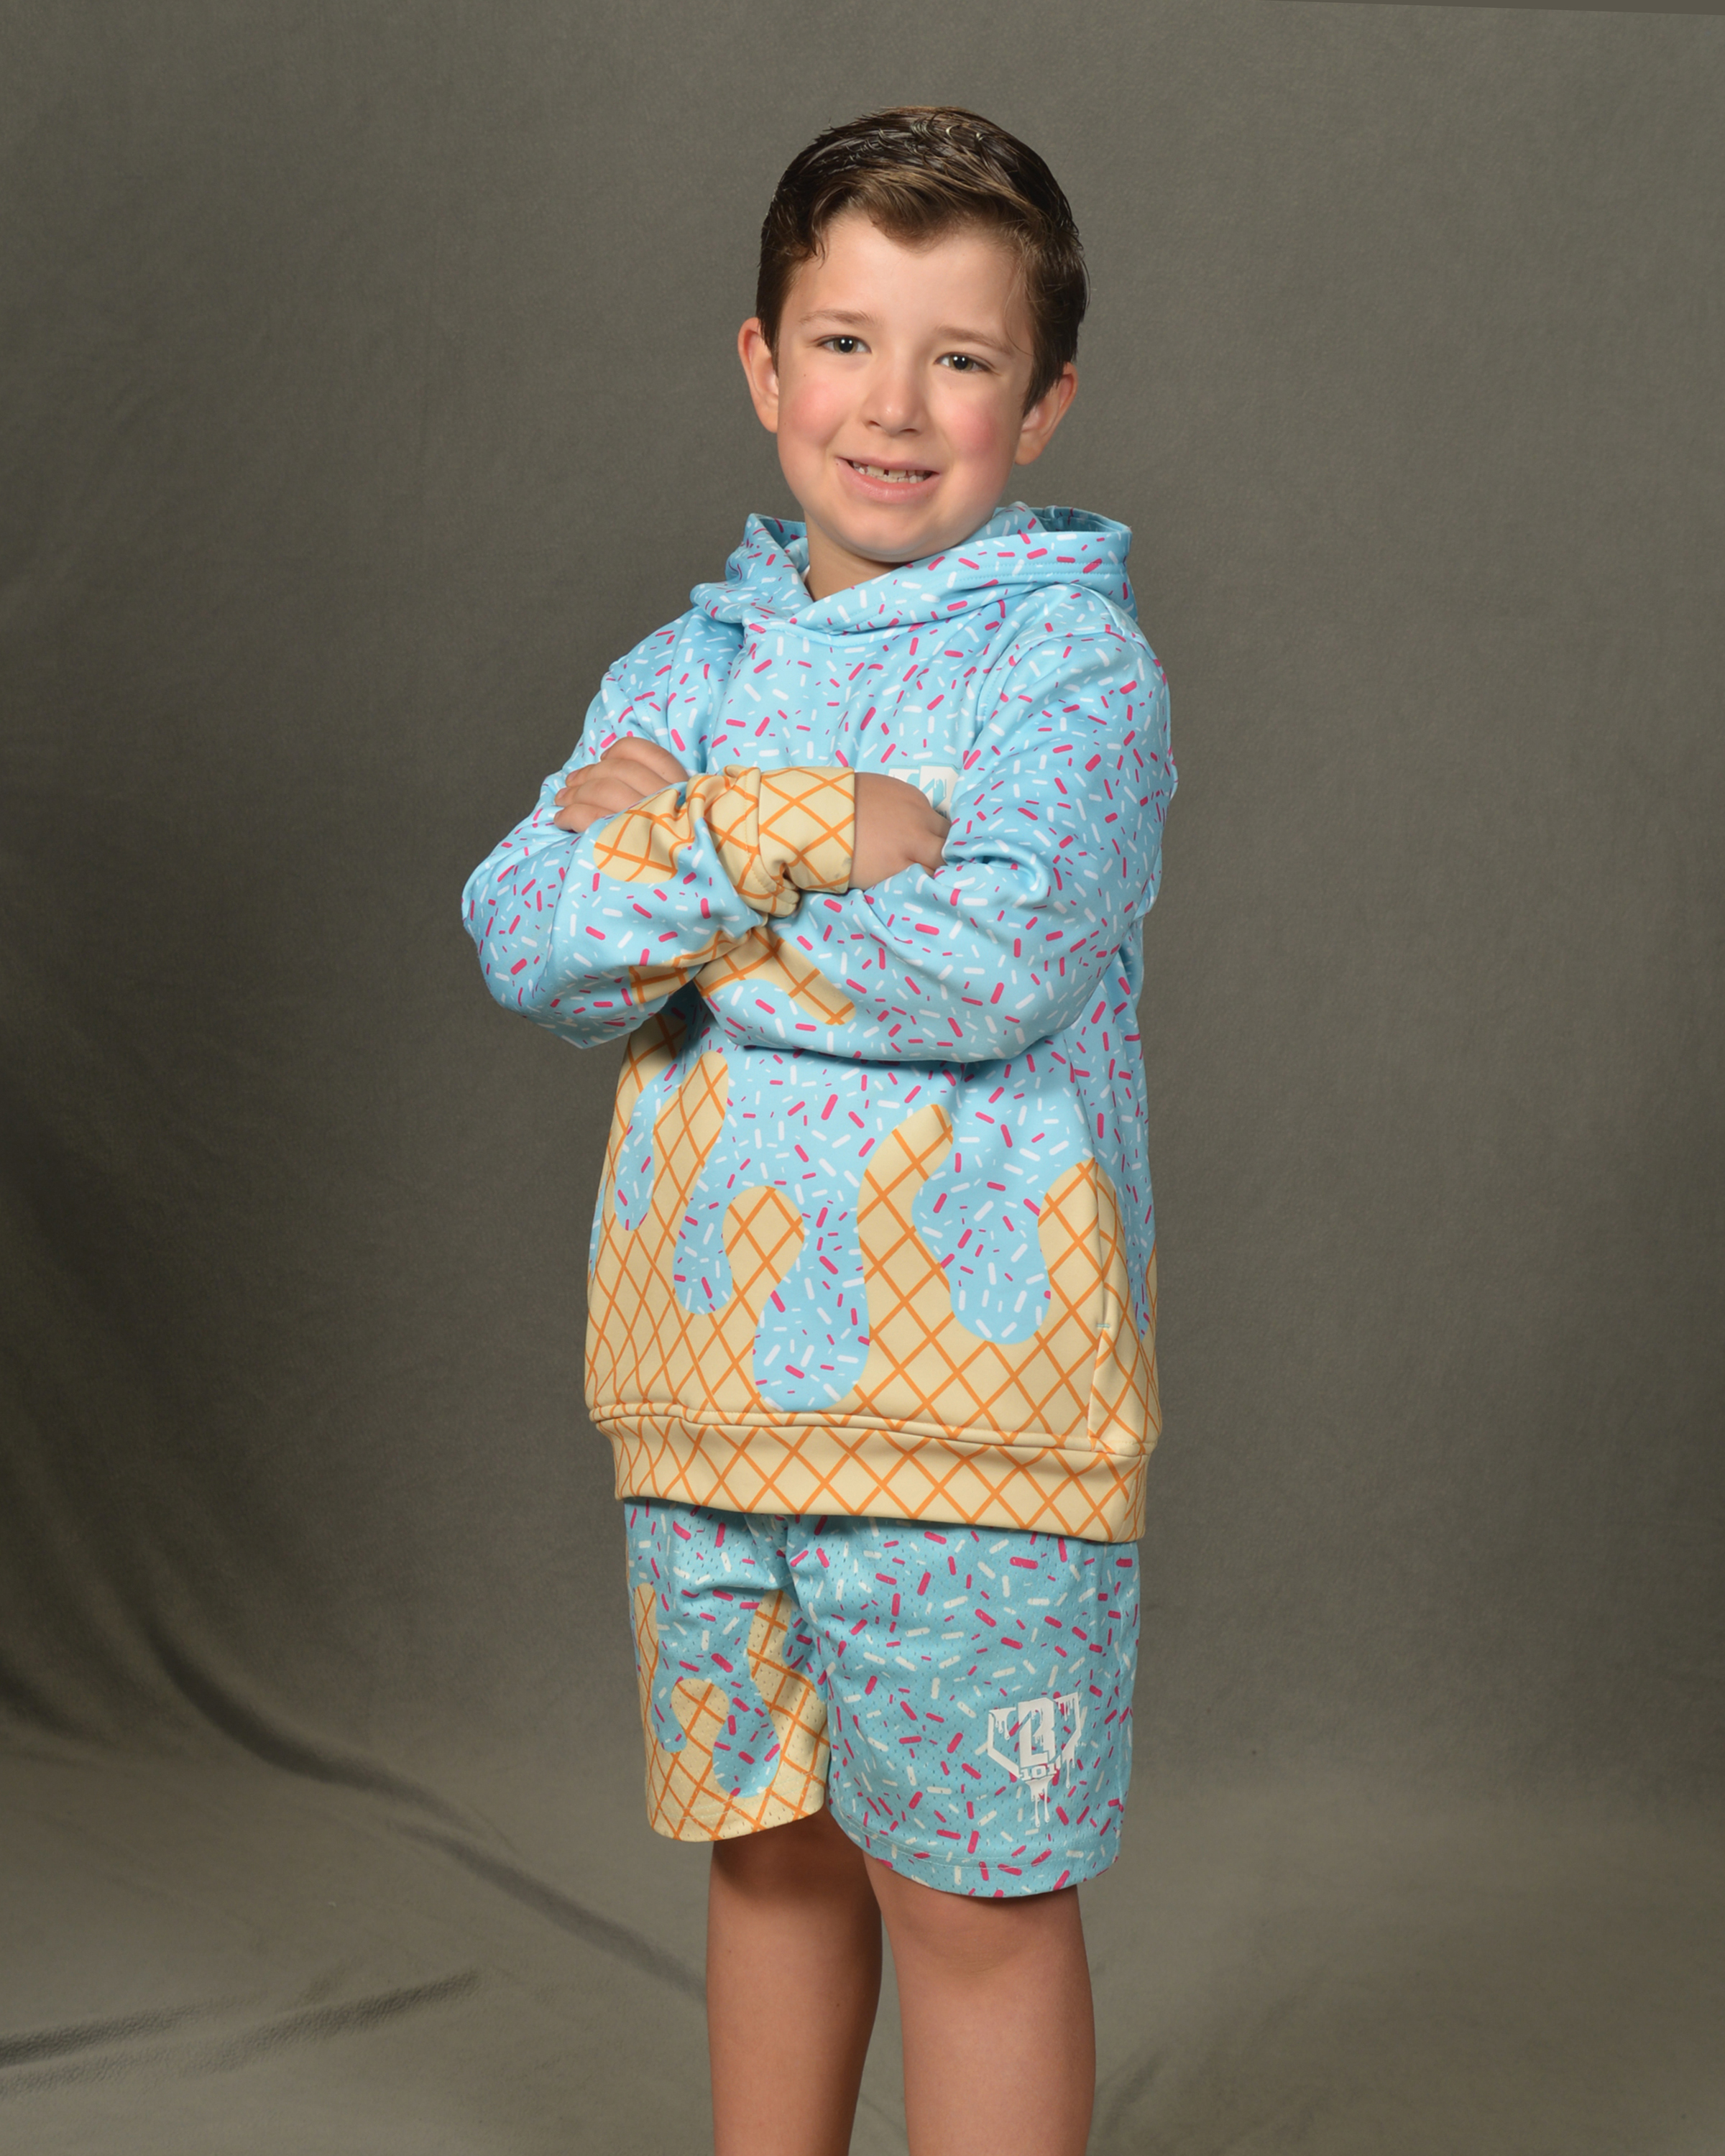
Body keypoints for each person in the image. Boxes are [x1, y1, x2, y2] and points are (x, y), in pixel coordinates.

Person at [464, 105, 1174, 2156]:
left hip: (978, 1428)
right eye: (847, 343)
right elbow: (530, 934)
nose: (895, 406)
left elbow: (993, 960)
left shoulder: (1073, 667)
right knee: (770, 1858)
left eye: (961, 359)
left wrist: (678, 912)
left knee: (968, 1896)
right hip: (703, 1404)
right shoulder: (682, 667)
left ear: (1043, 402)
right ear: (764, 366)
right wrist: (798, 828)